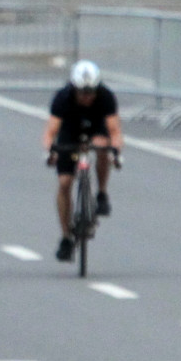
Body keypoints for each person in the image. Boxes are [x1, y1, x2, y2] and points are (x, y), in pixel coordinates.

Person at [46, 59, 124, 262]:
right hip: (70, 130)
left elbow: (115, 130)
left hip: (96, 127)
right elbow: (50, 132)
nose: (87, 97)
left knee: (101, 146)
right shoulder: (63, 97)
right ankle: (65, 238)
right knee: (64, 183)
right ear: (74, 88)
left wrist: (115, 150)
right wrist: (51, 151)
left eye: (91, 92)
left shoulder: (105, 96)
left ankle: (102, 194)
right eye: (83, 92)